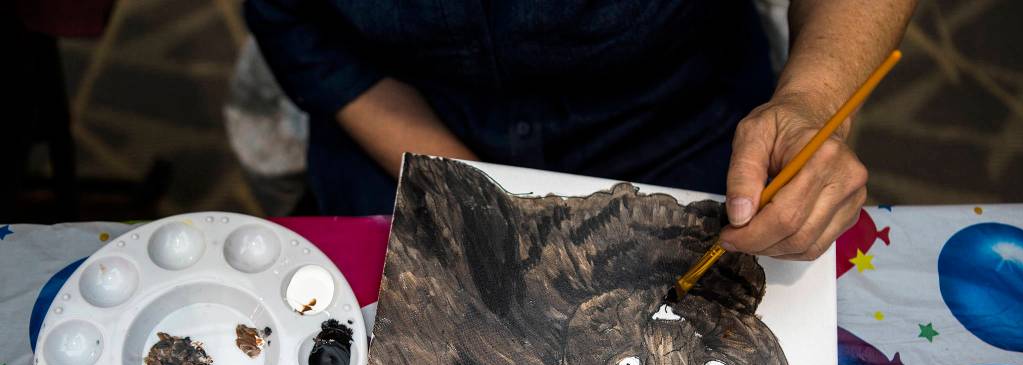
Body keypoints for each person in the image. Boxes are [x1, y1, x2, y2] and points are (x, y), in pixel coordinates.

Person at [245, 0, 915, 259]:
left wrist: (817, 95)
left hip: (679, 124)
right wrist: (468, 186)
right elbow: (296, 24)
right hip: (403, 129)